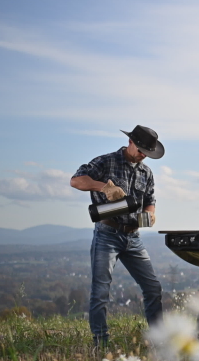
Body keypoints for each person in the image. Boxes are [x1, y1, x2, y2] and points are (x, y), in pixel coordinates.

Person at [70, 125, 165, 346]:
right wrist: (103, 187)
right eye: (141, 150)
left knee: (153, 288)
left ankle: (159, 341)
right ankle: (101, 345)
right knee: (101, 291)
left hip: (134, 237)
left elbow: (150, 202)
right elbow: (76, 180)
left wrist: (150, 216)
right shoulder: (105, 162)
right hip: (107, 234)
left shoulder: (146, 172)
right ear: (130, 142)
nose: (143, 156)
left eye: (147, 153)